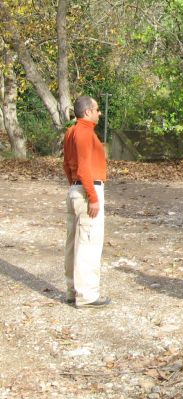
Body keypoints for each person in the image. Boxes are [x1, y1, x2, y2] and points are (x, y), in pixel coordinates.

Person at [63, 95, 110, 307]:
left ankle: (73, 290)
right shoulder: (84, 132)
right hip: (87, 189)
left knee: (73, 243)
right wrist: (91, 196)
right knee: (88, 243)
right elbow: (83, 168)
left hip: (77, 188)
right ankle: (87, 295)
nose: (99, 113)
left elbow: (67, 165)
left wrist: (74, 186)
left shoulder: (71, 131)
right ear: (88, 111)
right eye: (97, 109)